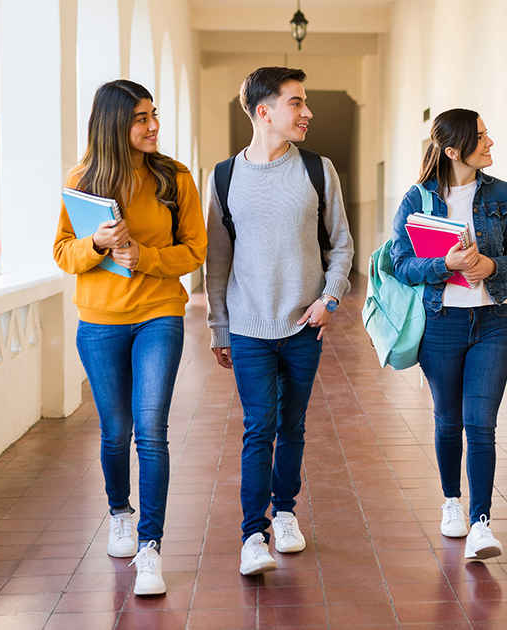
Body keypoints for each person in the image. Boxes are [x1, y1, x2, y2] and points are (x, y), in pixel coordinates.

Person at [53, 79, 207, 595]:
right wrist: (95, 243)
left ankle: (150, 547)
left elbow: (195, 250)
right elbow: (61, 252)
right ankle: (120, 511)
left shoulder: (174, 177)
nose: (153, 126)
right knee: (115, 431)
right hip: (98, 322)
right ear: (114, 123)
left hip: (159, 314)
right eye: (141, 118)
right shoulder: (82, 180)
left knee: (151, 429)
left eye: (153, 115)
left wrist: (148, 259)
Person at [205, 67, 354, 576]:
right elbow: (218, 262)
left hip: (304, 326)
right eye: (297, 103)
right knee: (258, 426)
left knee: (292, 424)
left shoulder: (318, 170)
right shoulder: (223, 177)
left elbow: (341, 244)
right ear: (263, 111)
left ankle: (286, 512)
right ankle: (253, 534)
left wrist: (329, 299)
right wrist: (218, 328)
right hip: (248, 328)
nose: (307, 111)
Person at [391, 108, 507, 560]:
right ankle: (451, 501)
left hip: (493, 322)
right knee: (448, 419)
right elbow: (400, 264)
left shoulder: (502, 194)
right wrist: (444, 265)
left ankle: (481, 522)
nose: (491, 144)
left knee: (481, 423)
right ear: (453, 150)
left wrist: (492, 266)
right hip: (442, 322)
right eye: (482, 138)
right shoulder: (418, 200)